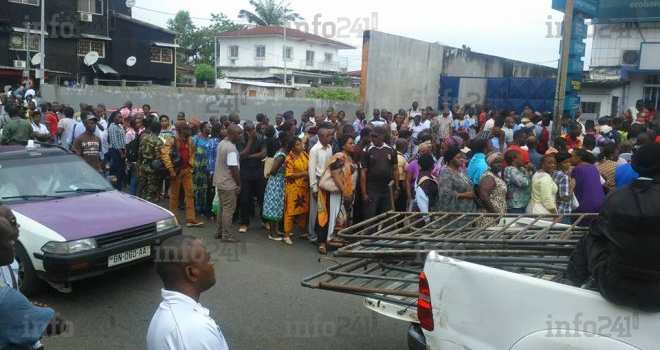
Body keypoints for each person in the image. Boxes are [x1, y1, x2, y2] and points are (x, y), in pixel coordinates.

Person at [564, 144, 660, 311]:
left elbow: (599, 234)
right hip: (653, 294)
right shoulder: (617, 194)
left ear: (636, 165)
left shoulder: (617, 196)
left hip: (614, 286)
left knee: (589, 238)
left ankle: (568, 287)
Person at [147, 235, 229, 350]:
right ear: (191, 273)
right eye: (208, 259)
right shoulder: (197, 330)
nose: (212, 264)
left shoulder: (164, 315)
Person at [317, 135, 358, 253]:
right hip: (336, 193)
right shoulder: (339, 157)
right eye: (350, 143)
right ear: (343, 145)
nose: (353, 145)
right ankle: (323, 242)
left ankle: (336, 241)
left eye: (353, 143)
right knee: (331, 216)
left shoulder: (349, 158)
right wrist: (344, 190)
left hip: (346, 194)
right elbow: (335, 175)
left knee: (340, 218)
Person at [162, 121, 204, 228]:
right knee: (174, 196)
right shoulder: (172, 140)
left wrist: (191, 164)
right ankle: (174, 219)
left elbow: (193, 152)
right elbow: (165, 154)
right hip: (176, 172)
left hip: (187, 171)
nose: (189, 131)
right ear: (181, 130)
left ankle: (191, 219)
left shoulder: (189, 140)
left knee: (190, 194)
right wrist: (170, 169)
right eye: (187, 129)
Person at [361, 126, 399, 220]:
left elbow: (395, 169)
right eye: (372, 136)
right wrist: (364, 193)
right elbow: (363, 173)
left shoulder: (390, 149)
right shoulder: (367, 150)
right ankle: (369, 234)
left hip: (387, 189)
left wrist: (397, 187)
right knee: (370, 217)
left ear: (382, 136)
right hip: (372, 190)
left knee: (387, 218)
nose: (373, 138)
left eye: (376, 136)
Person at [213, 125, 242, 243]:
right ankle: (226, 235)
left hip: (219, 181)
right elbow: (233, 168)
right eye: (239, 133)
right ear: (231, 134)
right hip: (228, 183)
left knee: (221, 208)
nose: (241, 135)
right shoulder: (231, 149)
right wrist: (239, 184)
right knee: (228, 210)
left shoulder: (222, 143)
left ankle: (219, 232)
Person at [436, 147, 477, 225]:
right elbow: (444, 194)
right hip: (456, 215)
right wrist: (466, 195)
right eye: (458, 157)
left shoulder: (461, 171)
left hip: (469, 212)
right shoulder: (446, 173)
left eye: (462, 157)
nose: (461, 159)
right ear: (451, 159)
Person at [308, 123, 334, 244]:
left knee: (324, 209)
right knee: (315, 209)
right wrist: (314, 188)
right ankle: (312, 234)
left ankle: (321, 233)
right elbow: (311, 170)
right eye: (328, 135)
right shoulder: (315, 150)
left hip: (326, 181)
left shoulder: (329, 148)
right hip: (317, 181)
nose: (331, 137)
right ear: (321, 136)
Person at [283, 137, 310, 245]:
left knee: (304, 210)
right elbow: (288, 175)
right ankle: (286, 235)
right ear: (293, 147)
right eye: (298, 145)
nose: (301, 146)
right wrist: (304, 174)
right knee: (290, 212)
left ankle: (302, 231)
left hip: (304, 187)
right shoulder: (289, 158)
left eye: (301, 144)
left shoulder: (304, 154)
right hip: (293, 188)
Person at [262, 133, 288, 242]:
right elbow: (272, 171)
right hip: (277, 183)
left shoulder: (281, 152)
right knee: (274, 207)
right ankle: (272, 233)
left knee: (276, 207)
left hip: (278, 182)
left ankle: (274, 231)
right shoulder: (282, 155)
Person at [570, 148, 605, 215]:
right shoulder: (593, 167)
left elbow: (571, 189)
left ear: (579, 157)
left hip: (585, 206)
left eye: (571, 156)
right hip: (601, 203)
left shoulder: (577, 169)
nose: (569, 158)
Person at [138, 122, 164, 203]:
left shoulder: (144, 138)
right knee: (151, 189)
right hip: (153, 168)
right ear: (160, 130)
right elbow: (158, 157)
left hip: (143, 165)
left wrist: (139, 167)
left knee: (142, 186)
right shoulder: (158, 141)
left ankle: (139, 201)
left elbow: (140, 154)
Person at [503, 150, 532, 214]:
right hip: (515, 206)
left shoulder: (521, 169)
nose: (523, 159)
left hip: (524, 205)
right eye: (521, 157)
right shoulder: (510, 170)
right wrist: (527, 172)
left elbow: (530, 179)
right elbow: (524, 183)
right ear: (514, 159)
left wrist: (530, 170)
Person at [478, 152, 507, 217]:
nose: (500, 164)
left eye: (501, 162)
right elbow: (483, 196)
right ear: (490, 164)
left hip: (499, 213)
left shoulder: (497, 174)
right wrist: (496, 215)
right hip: (491, 216)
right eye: (496, 163)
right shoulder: (488, 176)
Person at [193, 122, 212, 219]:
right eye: (209, 127)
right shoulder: (196, 138)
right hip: (197, 166)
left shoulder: (210, 140)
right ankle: (195, 208)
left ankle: (203, 208)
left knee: (205, 187)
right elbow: (191, 152)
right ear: (203, 128)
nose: (210, 128)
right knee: (197, 187)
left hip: (206, 168)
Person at [107, 112, 127, 190]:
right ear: (113, 118)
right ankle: (115, 188)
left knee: (121, 171)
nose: (120, 119)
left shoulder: (119, 126)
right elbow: (114, 141)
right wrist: (121, 153)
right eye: (118, 117)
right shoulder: (112, 127)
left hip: (121, 150)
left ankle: (119, 187)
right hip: (116, 151)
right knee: (116, 171)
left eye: (121, 117)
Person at [552, 151, 573, 218]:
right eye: (565, 162)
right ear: (558, 163)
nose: (568, 164)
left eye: (569, 162)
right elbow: (565, 198)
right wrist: (572, 187)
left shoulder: (553, 172)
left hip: (555, 207)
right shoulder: (563, 176)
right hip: (563, 210)